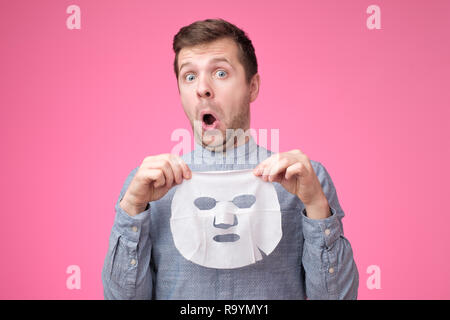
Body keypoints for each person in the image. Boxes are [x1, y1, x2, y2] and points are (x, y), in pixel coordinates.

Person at [101, 18, 359, 299]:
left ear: (252, 87)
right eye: (190, 76)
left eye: (220, 73)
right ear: (180, 93)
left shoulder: (306, 180)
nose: (203, 88)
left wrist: (317, 207)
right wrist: (132, 209)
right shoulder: (147, 187)